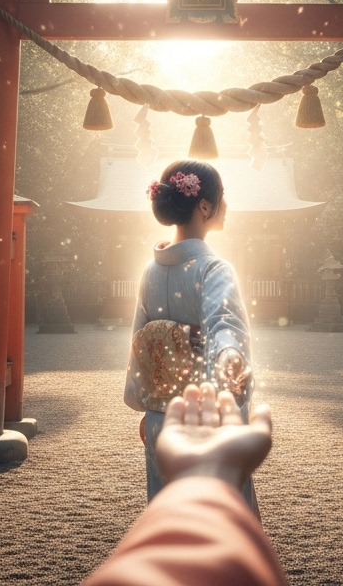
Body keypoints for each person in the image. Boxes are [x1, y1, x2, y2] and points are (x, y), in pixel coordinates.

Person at [123, 160, 255, 505]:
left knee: (167, 514)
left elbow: (141, 340)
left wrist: (144, 402)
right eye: (222, 197)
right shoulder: (213, 268)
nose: (226, 205)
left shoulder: (151, 270)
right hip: (205, 412)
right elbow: (224, 322)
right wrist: (229, 359)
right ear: (205, 206)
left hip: (160, 417)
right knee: (219, 515)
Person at [83, 383, 286, 586]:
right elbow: (245, 386)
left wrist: (193, 476)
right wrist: (213, 474)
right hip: (225, 415)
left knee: (163, 502)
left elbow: (133, 396)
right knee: (240, 505)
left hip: (165, 420)